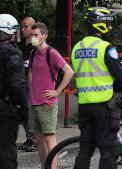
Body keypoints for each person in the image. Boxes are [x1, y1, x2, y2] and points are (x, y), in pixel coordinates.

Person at [71, 7, 122, 169]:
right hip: (105, 106)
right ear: (101, 25)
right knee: (109, 150)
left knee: (85, 151)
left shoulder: (77, 48)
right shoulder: (105, 48)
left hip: (84, 107)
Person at [28, 22, 74, 169]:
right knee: (39, 140)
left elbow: (69, 72)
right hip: (34, 102)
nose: (32, 38)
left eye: (36, 35)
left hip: (47, 103)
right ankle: (44, 167)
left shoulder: (51, 53)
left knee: (49, 138)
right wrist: (31, 89)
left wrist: (57, 91)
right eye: (32, 35)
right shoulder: (33, 53)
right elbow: (30, 72)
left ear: (44, 36)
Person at [0, 14, 29, 169]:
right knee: (6, 153)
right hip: (5, 109)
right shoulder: (11, 53)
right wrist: (24, 109)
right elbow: (16, 85)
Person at [17, 16, 38, 152]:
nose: (23, 29)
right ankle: (30, 138)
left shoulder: (37, 45)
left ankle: (34, 140)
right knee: (24, 111)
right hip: (21, 84)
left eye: (26, 26)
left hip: (34, 86)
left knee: (30, 111)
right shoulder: (20, 45)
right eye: (22, 26)